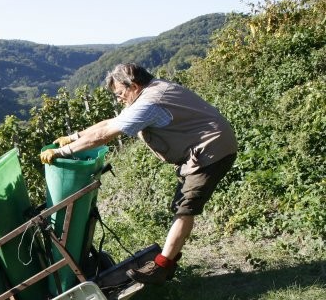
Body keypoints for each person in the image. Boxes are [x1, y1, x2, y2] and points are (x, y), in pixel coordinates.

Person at [40, 63, 237, 285]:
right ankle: (167, 261)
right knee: (182, 206)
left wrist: (61, 152)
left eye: (120, 93)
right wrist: (74, 137)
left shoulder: (149, 103)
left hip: (211, 150)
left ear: (133, 86)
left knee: (185, 207)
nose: (119, 99)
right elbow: (110, 122)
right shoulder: (151, 91)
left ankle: (162, 267)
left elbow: (104, 135)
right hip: (207, 147)